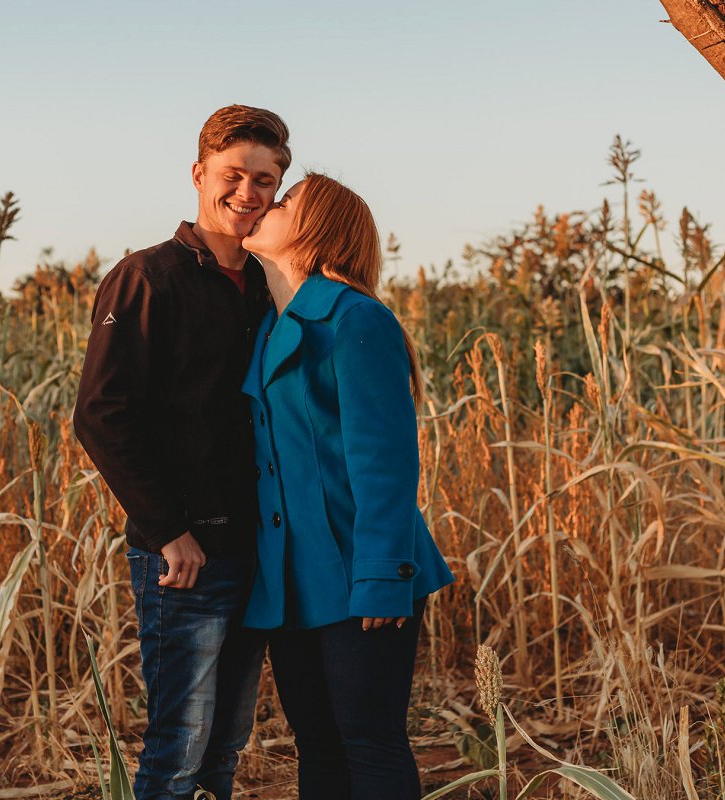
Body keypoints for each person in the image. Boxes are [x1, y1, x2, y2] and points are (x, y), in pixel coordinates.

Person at [73, 105, 289, 800]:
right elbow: (101, 414)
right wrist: (169, 531)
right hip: (183, 560)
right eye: (233, 175)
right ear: (199, 174)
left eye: (265, 180)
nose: (248, 194)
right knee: (178, 748)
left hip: (254, 552)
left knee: (225, 747)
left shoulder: (269, 285)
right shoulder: (148, 277)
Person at [239, 173, 454, 799]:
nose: (265, 205)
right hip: (292, 579)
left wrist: (383, 577)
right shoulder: (264, 328)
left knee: (370, 742)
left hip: (364, 571)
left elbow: (384, 464)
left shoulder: (356, 320)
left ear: (314, 231)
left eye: (284, 201)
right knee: (319, 750)